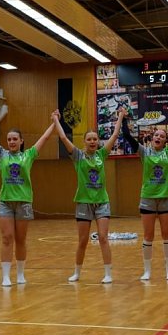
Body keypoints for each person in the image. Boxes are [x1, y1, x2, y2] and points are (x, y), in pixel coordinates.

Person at [0, 111, 57, 286]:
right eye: (9, 139)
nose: (11, 142)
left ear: (21, 141)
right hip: (5, 202)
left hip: (24, 202)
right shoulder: (2, 154)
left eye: (15, 139)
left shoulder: (29, 155)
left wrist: (55, 122)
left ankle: (21, 273)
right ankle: (6, 276)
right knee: (7, 238)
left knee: (21, 239)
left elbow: (45, 139)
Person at [121, 111, 168, 281]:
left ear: (165, 140)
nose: (158, 137)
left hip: (165, 198)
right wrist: (123, 119)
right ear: (152, 138)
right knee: (148, 236)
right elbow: (127, 136)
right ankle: (147, 271)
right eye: (156, 135)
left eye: (162, 136)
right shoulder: (144, 152)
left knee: (166, 235)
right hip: (147, 198)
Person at [54, 109, 123, 283]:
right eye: (89, 139)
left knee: (103, 237)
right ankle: (77, 272)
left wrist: (121, 116)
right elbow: (63, 138)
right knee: (83, 240)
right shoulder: (78, 156)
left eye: (95, 139)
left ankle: (108, 273)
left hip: (101, 202)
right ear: (84, 141)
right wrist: (56, 120)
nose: (92, 141)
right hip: (83, 202)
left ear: (98, 141)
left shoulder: (101, 154)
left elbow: (114, 136)